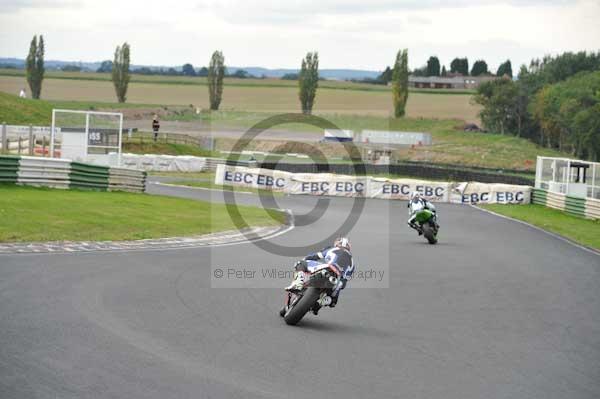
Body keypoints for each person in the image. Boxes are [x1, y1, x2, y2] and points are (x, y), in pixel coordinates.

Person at [285, 237, 354, 310]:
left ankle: (298, 283)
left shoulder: (332, 249)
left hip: (328, 267)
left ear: (337, 244)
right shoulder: (352, 261)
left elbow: (315, 256)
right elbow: (345, 279)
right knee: (333, 300)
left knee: (300, 263)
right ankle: (324, 301)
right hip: (337, 279)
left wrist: (305, 259)